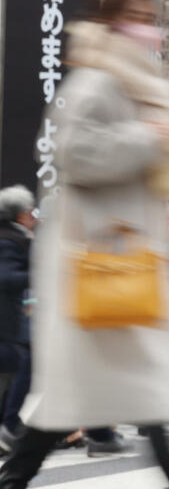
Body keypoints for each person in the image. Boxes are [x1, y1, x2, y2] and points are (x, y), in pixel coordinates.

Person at [0, 0, 169, 489]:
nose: (147, 29)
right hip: (96, 257)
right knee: (99, 380)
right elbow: (75, 152)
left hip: (121, 256)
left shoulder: (129, 85)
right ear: (110, 24)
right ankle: (16, 476)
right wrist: (155, 136)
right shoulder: (96, 81)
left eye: (150, 18)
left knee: (134, 377)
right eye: (136, 18)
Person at [0, 188, 37, 454]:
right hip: (7, 323)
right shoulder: (10, 240)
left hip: (11, 323)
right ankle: (10, 426)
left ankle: (10, 426)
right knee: (22, 365)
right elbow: (7, 277)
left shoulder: (13, 237)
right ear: (23, 215)